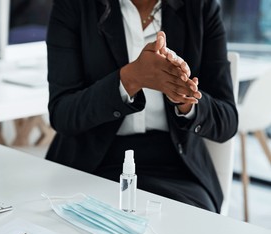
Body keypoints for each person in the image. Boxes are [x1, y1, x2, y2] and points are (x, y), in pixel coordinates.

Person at [44, 0, 238, 213]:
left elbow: (227, 121)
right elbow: (62, 113)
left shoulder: (201, 7)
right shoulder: (74, 6)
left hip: (177, 170)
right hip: (91, 166)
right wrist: (129, 80)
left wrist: (186, 100)